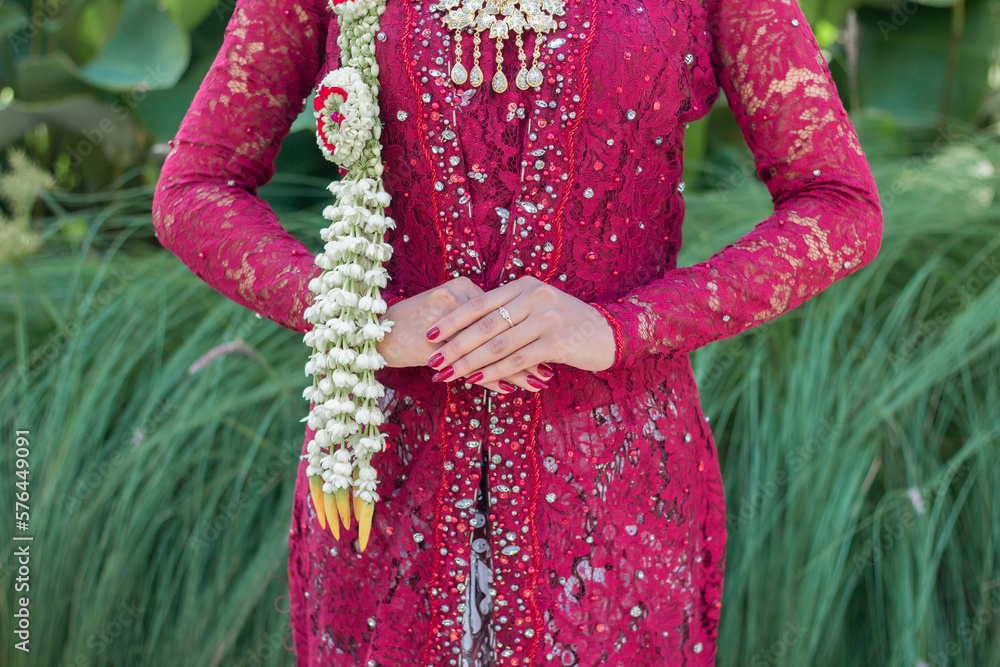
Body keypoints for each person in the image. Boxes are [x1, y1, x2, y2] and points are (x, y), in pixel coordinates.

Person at [151, 0, 883, 662]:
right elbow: (195, 188)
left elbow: (839, 204)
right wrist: (359, 321)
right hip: (382, 486)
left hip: (613, 496)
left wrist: (621, 327)